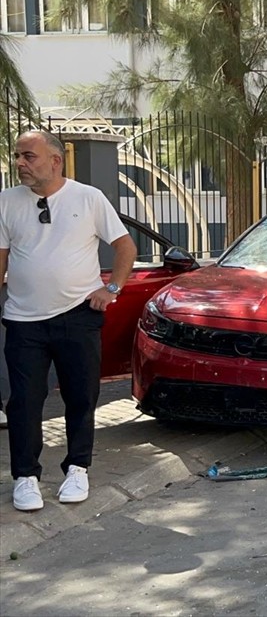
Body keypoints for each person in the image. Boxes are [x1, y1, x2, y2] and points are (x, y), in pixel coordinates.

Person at [0, 129, 136, 511]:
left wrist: (112, 289)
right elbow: (1, 258)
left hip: (79, 316)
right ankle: (25, 477)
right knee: (24, 401)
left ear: (55, 160)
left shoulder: (88, 198)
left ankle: (78, 467)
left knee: (81, 395)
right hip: (23, 320)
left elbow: (125, 246)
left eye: (29, 156)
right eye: (17, 156)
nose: (20, 163)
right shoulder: (5, 202)